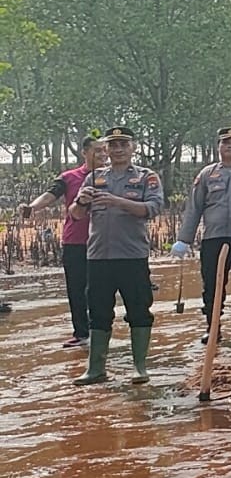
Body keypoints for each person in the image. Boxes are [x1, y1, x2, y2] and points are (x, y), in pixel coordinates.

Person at [67, 127, 163, 385]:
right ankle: (96, 369)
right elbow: (75, 214)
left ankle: (139, 367)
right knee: (97, 311)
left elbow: (153, 208)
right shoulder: (94, 177)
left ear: (133, 148)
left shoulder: (146, 177)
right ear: (105, 150)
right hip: (98, 256)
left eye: (123, 144)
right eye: (113, 145)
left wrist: (117, 201)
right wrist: (81, 201)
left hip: (132, 254)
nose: (118, 149)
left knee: (139, 309)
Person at [173, 127, 231, 341]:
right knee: (213, 284)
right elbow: (194, 207)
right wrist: (183, 239)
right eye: (225, 142)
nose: (230, 146)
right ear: (219, 146)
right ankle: (213, 326)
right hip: (214, 237)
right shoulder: (207, 174)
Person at [18, 136, 105, 347]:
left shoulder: (112, 177)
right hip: (75, 240)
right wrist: (32, 207)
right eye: (97, 151)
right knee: (76, 288)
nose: (103, 155)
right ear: (84, 152)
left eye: (104, 151)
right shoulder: (69, 177)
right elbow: (50, 195)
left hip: (104, 241)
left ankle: (101, 332)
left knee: (101, 289)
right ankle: (82, 334)